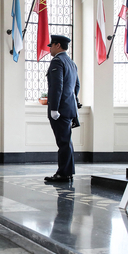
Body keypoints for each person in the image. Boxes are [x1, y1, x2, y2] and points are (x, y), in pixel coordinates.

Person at [44, 35, 80, 183]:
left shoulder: (57, 62)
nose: (50, 48)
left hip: (60, 110)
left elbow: (56, 86)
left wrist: (54, 108)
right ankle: (68, 172)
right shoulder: (71, 63)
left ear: (58, 45)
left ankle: (63, 174)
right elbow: (76, 86)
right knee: (66, 141)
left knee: (63, 142)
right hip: (69, 107)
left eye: (51, 45)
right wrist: (71, 101)